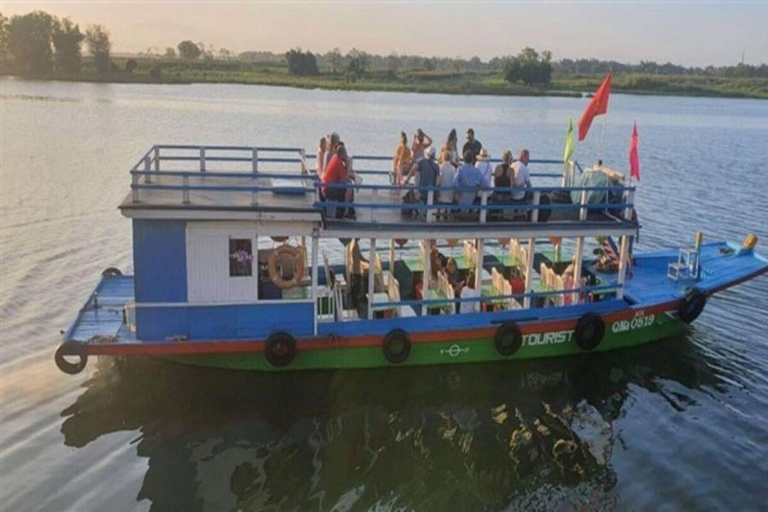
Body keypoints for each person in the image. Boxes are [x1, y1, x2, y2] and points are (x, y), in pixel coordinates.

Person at [321, 143, 349, 219]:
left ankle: (342, 212)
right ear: (342, 154)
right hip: (328, 188)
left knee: (343, 189)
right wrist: (347, 165)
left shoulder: (334, 157)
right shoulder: (338, 162)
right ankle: (341, 214)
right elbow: (344, 178)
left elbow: (342, 177)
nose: (346, 155)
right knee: (344, 190)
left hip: (325, 186)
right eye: (345, 154)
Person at [346, 238, 369, 309]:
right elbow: (358, 257)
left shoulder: (352, 244)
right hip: (356, 270)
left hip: (353, 269)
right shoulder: (355, 246)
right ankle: (355, 304)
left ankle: (355, 303)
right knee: (356, 288)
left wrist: (366, 261)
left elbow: (358, 257)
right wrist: (366, 262)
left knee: (356, 288)